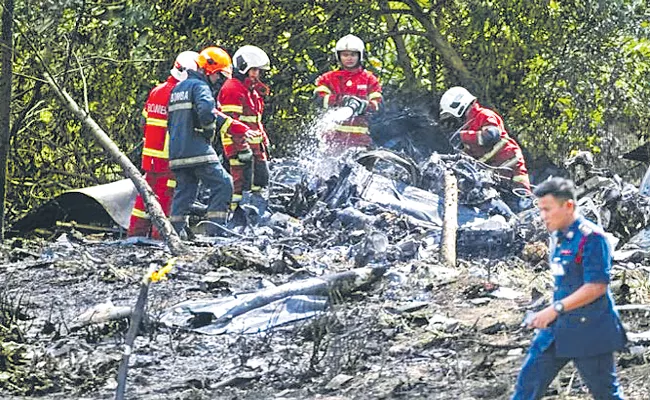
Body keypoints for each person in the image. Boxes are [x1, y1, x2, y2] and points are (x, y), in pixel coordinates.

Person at [511, 177, 627, 400]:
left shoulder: (591, 238)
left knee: (605, 394)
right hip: (557, 329)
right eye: (540, 210)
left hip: (590, 328)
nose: (543, 216)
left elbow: (596, 286)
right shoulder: (560, 237)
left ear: (568, 206)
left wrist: (553, 309)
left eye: (547, 209)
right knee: (528, 384)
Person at [166, 46, 254, 237]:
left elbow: (174, 121)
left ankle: (173, 235)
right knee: (224, 184)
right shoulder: (200, 86)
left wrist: (233, 126)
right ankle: (215, 232)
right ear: (209, 70)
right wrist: (208, 131)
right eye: (219, 76)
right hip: (197, 150)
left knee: (184, 194)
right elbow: (207, 112)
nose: (219, 81)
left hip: (177, 154)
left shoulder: (177, 89)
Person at [128, 51, 198, 239]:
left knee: (145, 201)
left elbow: (144, 122)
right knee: (166, 204)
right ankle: (162, 242)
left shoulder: (156, 91)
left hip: (150, 158)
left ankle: (135, 237)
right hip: (169, 159)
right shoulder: (179, 94)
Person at [438, 86, 531, 204]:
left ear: (458, 107)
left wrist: (463, 136)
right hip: (496, 174)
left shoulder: (483, 115)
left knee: (523, 203)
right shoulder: (470, 125)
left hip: (511, 167)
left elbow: (491, 135)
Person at [217, 45, 271, 216]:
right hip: (239, 148)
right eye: (254, 69)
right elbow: (232, 122)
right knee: (240, 185)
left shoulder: (251, 91)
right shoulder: (232, 89)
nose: (257, 74)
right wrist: (241, 148)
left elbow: (255, 121)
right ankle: (235, 217)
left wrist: (263, 140)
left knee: (259, 181)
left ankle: (254, 214)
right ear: (243, 67)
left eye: (258, 70)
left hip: (254, 148)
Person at [313, 34, 383, 151]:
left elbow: (379, 105)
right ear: (339, 56)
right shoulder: (328, 78)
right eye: (345, 55)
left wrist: (363, 105)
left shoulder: (369, 79)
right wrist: (341, 100)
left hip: (360, 142)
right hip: (332, 142)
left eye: (353, 54)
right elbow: (318, 99)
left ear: (359, 55)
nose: (349, 58)